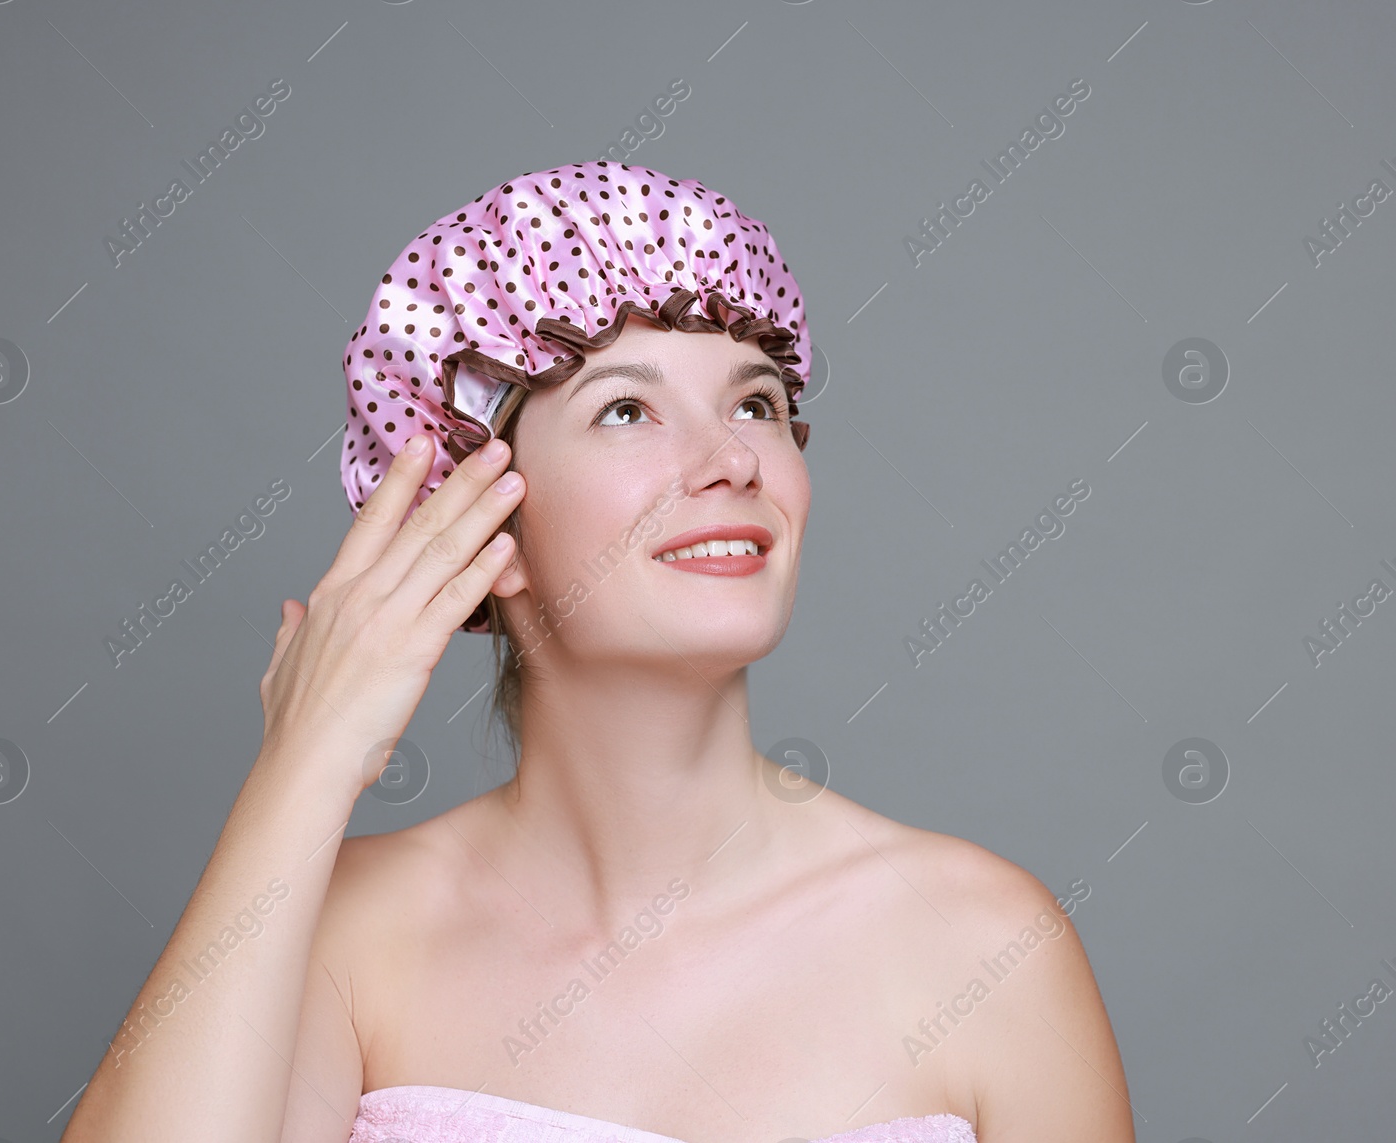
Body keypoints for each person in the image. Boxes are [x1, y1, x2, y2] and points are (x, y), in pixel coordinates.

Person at [60, 162, 1134, 1143]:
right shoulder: (345, 937)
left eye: (756, 403)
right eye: (626, 409)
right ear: (483, 529)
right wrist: (302, 766)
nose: (729, 461)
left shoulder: (985, 949)